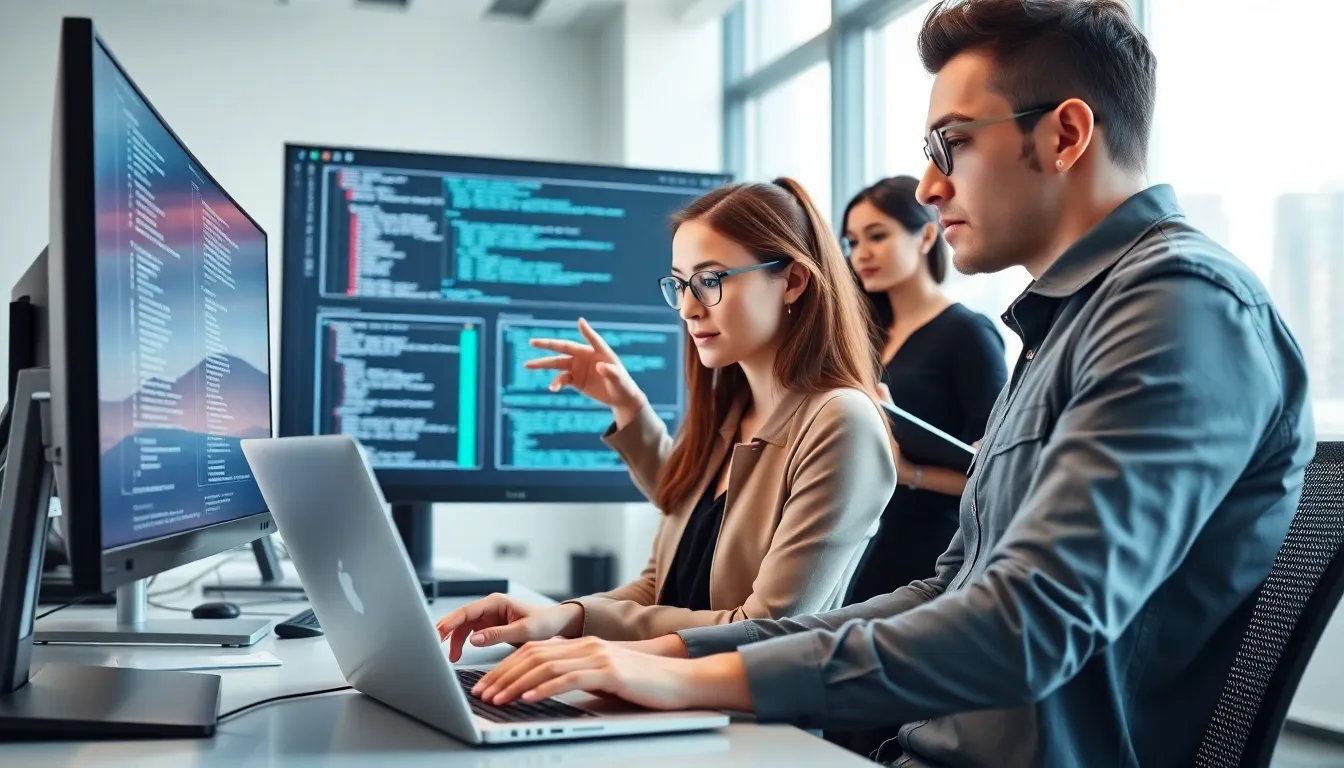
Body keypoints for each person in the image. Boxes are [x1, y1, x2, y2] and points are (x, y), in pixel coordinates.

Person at [449, 2, 1315, 766]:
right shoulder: (1064, 325)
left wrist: (695, 677)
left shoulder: (1180, 308)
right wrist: (672, 663)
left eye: (953, 144)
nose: (930, 188)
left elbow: (1026, 626)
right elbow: (947, 587)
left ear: (1064, 134)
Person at [435, 178, 896, 659]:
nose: (688, 308)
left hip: (751, 721)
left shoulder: (841, 422)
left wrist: (572, 620)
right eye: (680, 284)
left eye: (711, 280)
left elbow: (764, 628)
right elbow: (658, 587)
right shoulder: (729, 417)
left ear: (794, 281)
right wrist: (548, 615)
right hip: (664, 695)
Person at [840, 175, 1006, 604]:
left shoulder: (967, 333)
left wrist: (908, 472)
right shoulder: (869, 336)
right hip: (872, 531)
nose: (862, 254)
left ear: (927, 235)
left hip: (939, 546)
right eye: (853, 242)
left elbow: (997, 476)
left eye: (877, 236)